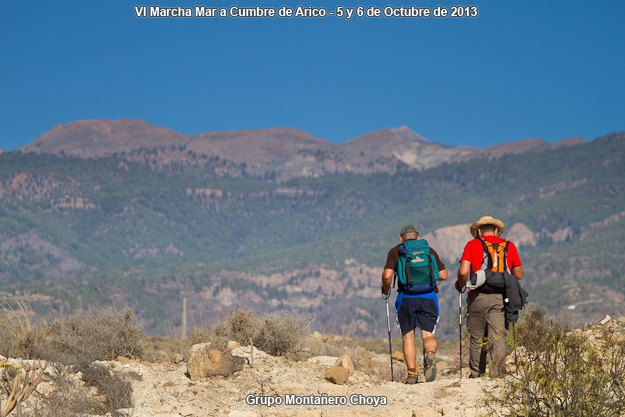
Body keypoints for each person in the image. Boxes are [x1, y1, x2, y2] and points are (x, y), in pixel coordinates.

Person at [455, 216, 524, 378]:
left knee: (477, 337)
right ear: (496, 231)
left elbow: (464, 272)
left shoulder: (472, 244)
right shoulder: (508, 246)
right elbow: (518, 274)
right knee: (498, 337)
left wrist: (460, 285)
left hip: (477, 296)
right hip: (500, 297)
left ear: (478, 231)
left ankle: (475, 374)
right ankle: (497, 374)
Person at [381, 225, 448, 384]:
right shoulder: (428, 250)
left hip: (406, 298)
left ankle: (412, 374)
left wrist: (385, 289)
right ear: (418, 237)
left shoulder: (396, 251)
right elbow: (444, 275)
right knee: (428, 334)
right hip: (428, 297)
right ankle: (430, 353)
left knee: (408, 337)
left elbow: (387, 275)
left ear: (401, 238)